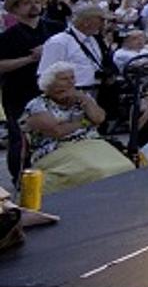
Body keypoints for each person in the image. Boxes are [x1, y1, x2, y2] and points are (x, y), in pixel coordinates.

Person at [20, 62, 133, 193]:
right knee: (99, 172)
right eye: (64, 79)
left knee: (125, 166)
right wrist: (84, 122)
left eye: (72, 77)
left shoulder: (81, 97)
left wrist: (85, 100)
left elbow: (99, 118)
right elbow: (57, 131)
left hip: (90, 142)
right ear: (50, 83)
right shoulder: (37, 105)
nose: (70, 82)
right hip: (56, 148)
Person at [0, 0, 51, 184]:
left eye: (36, 2)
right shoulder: (8, 36)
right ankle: (19, 178)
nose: (33, 6)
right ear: (16, 9)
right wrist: (31, 58)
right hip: (18, 92)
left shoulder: (54, 29)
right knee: (19, 139)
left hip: (49, 91)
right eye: (27, 3)